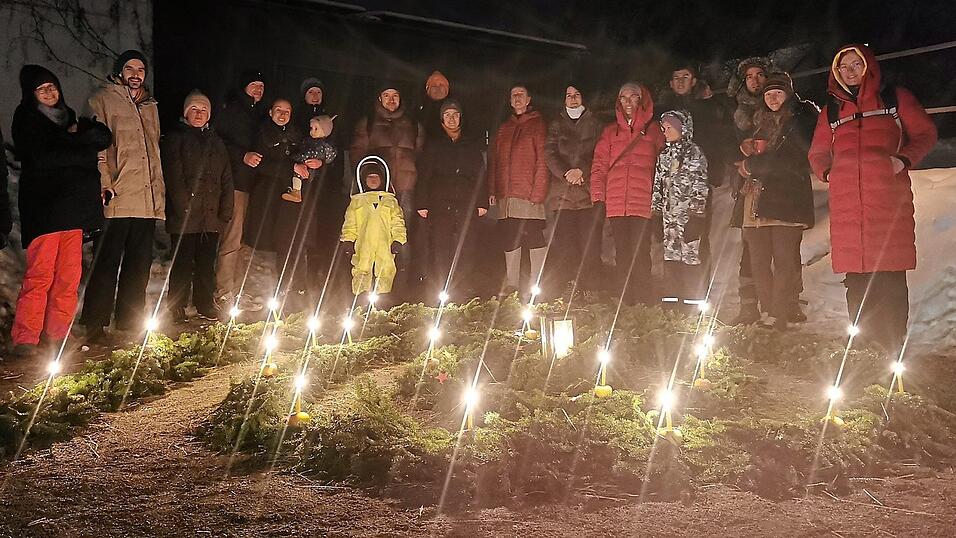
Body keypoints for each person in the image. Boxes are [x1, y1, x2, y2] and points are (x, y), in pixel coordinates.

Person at [808, 45, 937, 351]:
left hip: (888, 201)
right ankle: (864, 347)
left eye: (856, 65)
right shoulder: (832, 110)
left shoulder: (895, 99)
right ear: (836, 73)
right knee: (857, 278)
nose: (850, 71)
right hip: (847, 205)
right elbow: (817, 151)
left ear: (869, 66)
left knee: (889, 276)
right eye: (843, 67)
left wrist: (902, 160)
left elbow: (926, 134)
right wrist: (829, 173)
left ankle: (893, 346)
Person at [10, 65, 111, 356]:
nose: (49, 92)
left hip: (75, 212)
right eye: (42, 89)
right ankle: (26, 337)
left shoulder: (72, 119)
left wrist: (74, 144)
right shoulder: (27, 119)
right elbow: (43, 158)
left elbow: (103, 138)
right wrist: (79, 145)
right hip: (45, 212)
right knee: (40, 276)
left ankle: (57, 333)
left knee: (68, 277)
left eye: (52, 86)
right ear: (32, 95)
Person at [79, 50, 164, 343]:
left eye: (141, 69)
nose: (136, 74)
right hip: (116, 196)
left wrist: (158, 193)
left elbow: (153, 153)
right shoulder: (101, 100)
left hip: (147, 198)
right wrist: (104, 183)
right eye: (130, 68)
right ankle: (94, 325)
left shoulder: (151, 106)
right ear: (119, 71)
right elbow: (97, 149)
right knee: (107, 263)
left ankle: (129, 322)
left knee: (138, 266)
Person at [735, 73, 817, 331]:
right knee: (758, 259)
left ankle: (780, 312)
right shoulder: (759, 123)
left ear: (788, 95)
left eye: (778, 93)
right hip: (756, 198)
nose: (772, 98)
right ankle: (768, 311)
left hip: (787, 199)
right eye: (768, 94)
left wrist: (753, 165)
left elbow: (794, 159)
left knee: (783, 259)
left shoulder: (799, 121)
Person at [161, 90, 234, 323]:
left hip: (210, 215)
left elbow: (226, 177)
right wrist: (185, 207)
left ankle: (204, 303)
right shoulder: (176, 137)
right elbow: (174, 175)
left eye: (203, 110)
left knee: (205, 262)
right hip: (186, 215)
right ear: (186, 113)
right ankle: (177, 306)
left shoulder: (216, 141)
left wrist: (225, 210)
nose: (199, 114)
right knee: (182, 263)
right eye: (194, 109)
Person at [590, 82, 665, 306]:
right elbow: (599, 165)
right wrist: (598, 197)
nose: (628, 102)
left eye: (633, 97)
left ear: (642, 100)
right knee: (621, 254)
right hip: (616, 202)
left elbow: (663, 166)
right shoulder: (610, 132)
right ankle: (625, 303)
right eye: (623, 98)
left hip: (643, 202)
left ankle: (643, 303)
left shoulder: (654, 131)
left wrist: (659, 199)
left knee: (641, 254)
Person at [350, 85, 424, 293]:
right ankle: (370, 288)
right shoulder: (368, 123)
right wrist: (366, 182)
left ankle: (401, 285)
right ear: (379, 98)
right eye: (386, 96)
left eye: (395, 96)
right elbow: (357, 155)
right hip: (378, 192)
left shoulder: (413, 125)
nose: (391, 100)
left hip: (405, 188)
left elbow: (419, 155)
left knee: (402, 236)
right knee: (373, 238)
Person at [242, 98, 311, 312]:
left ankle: (292, 290)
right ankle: (265, 293)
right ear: (271, 111)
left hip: (290, 197)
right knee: (267, 245)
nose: (282, 114)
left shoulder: (296, 134)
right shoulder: (262, 132)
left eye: (287, 111)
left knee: (288, 242)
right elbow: (261, 164)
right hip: (268, 196)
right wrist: (292, 168)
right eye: (278, 110)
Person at [416, 99, 487, 297]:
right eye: (447, 115)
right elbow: (424, 175)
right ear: (442, 119)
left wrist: (482, 202)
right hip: (440, 202)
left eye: (455, 114)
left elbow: (481, 173)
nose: (451, 118)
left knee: (467, 245)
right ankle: (442, 289)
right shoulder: (434, 144)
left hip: (466, 201)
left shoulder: (470, 143)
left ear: (461, 117)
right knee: (441, 246)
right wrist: (422, 203)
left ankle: (464, 289)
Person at [488, 84, 549, 299]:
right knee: (510, 237)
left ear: (529, 98)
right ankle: (512, 286)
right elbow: (494, 161)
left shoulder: (538, 125)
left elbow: (543, 160)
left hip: (529, 192)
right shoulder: (504, 128)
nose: (517, 98)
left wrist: (539, 191)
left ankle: (536, 286)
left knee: (533, 235)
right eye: (513, 95)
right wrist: (493, 188)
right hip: (507, 194)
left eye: (521, 94)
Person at [543, 83, 604, 294]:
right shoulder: (556, 124)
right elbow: (549, 152)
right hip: (563, 196)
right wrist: (566, 173)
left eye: (577, 94)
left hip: (588, 195)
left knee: (590, 247)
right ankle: (567, 292)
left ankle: (591, 291)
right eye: (569, 95)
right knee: (565, 248)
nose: (573, 98)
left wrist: (582, 171)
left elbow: (600, 152)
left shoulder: (595, 124)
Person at [214, 69, 267, 310]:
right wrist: (242, 156)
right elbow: (218, 143)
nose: (258, 88)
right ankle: (223, 292)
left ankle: (234, 289)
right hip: (234, 183)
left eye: (261, 85)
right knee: (231, 239)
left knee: (242, 241)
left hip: (251, 185)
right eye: (253, 84)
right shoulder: (233, 111)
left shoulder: (258, 114)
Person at [726, 56, 772, 325]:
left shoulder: (781, 107)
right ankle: (748, 305)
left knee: (773, 248)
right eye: (749, 77)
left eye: (760, 75)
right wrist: (739, 154)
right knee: (750, 248)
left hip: (775, 185)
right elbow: (726, 146)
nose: (755, 81)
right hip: (747, 187)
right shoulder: (737, 114)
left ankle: (775, 307)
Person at [652, 109, 709, 313]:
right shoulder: (664, 155)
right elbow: (658, 185)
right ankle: (671, 305)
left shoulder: (694, 153)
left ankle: (692, 307)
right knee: (670, 258)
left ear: (682, 128)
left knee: (691, 259)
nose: (666, 131)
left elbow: (700, 185)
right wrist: (656, 213)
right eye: (664, 128)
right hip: (670, 221)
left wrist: (697, 215)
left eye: (670, 128)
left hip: (688, 219)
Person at [341, 159, 407, 298]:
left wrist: (398, 240)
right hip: (363, 243)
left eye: (375, 177)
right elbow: (350, 223)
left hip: (385, 243)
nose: (372, 180)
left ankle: (382, 299)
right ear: (363, 180)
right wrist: (348, 240)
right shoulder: (357, 201)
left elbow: (398, 222)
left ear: (382, 179)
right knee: (361, 267)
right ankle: (360, 299)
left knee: (386, 268)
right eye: (369, 177)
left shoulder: (390, 201)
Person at [285, 115, 336, 203]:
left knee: (299, 175)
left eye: (316, 129)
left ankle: (296, 192)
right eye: (311, 128)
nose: (312, 131)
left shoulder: (325, 145)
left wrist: (321, 162)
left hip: (311, 171)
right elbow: (302, 149)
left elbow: (330, 157)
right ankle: (295, 192)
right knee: (296, 174)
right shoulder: (307, 140)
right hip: (302, 162)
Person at [418, 70, 452, 139]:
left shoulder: (455, 107)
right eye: (434, 85)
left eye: (441, 85)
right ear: (427, 88)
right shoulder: (418, 109)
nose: (438, 87)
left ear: (447, 88)